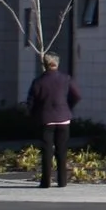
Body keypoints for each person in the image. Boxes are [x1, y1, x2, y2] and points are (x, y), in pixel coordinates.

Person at [25, 53, 79, 189]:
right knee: (62, 150)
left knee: (47, 151)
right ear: (57, 64)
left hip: (46, 119)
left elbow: (31, 102)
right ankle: (62, 181)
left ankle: (46, 182)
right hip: (63, 118)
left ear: (44, 64)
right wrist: (68, 107)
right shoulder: (66, 79)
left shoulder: (38, 81)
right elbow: (77, 95)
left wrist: (32, 115)